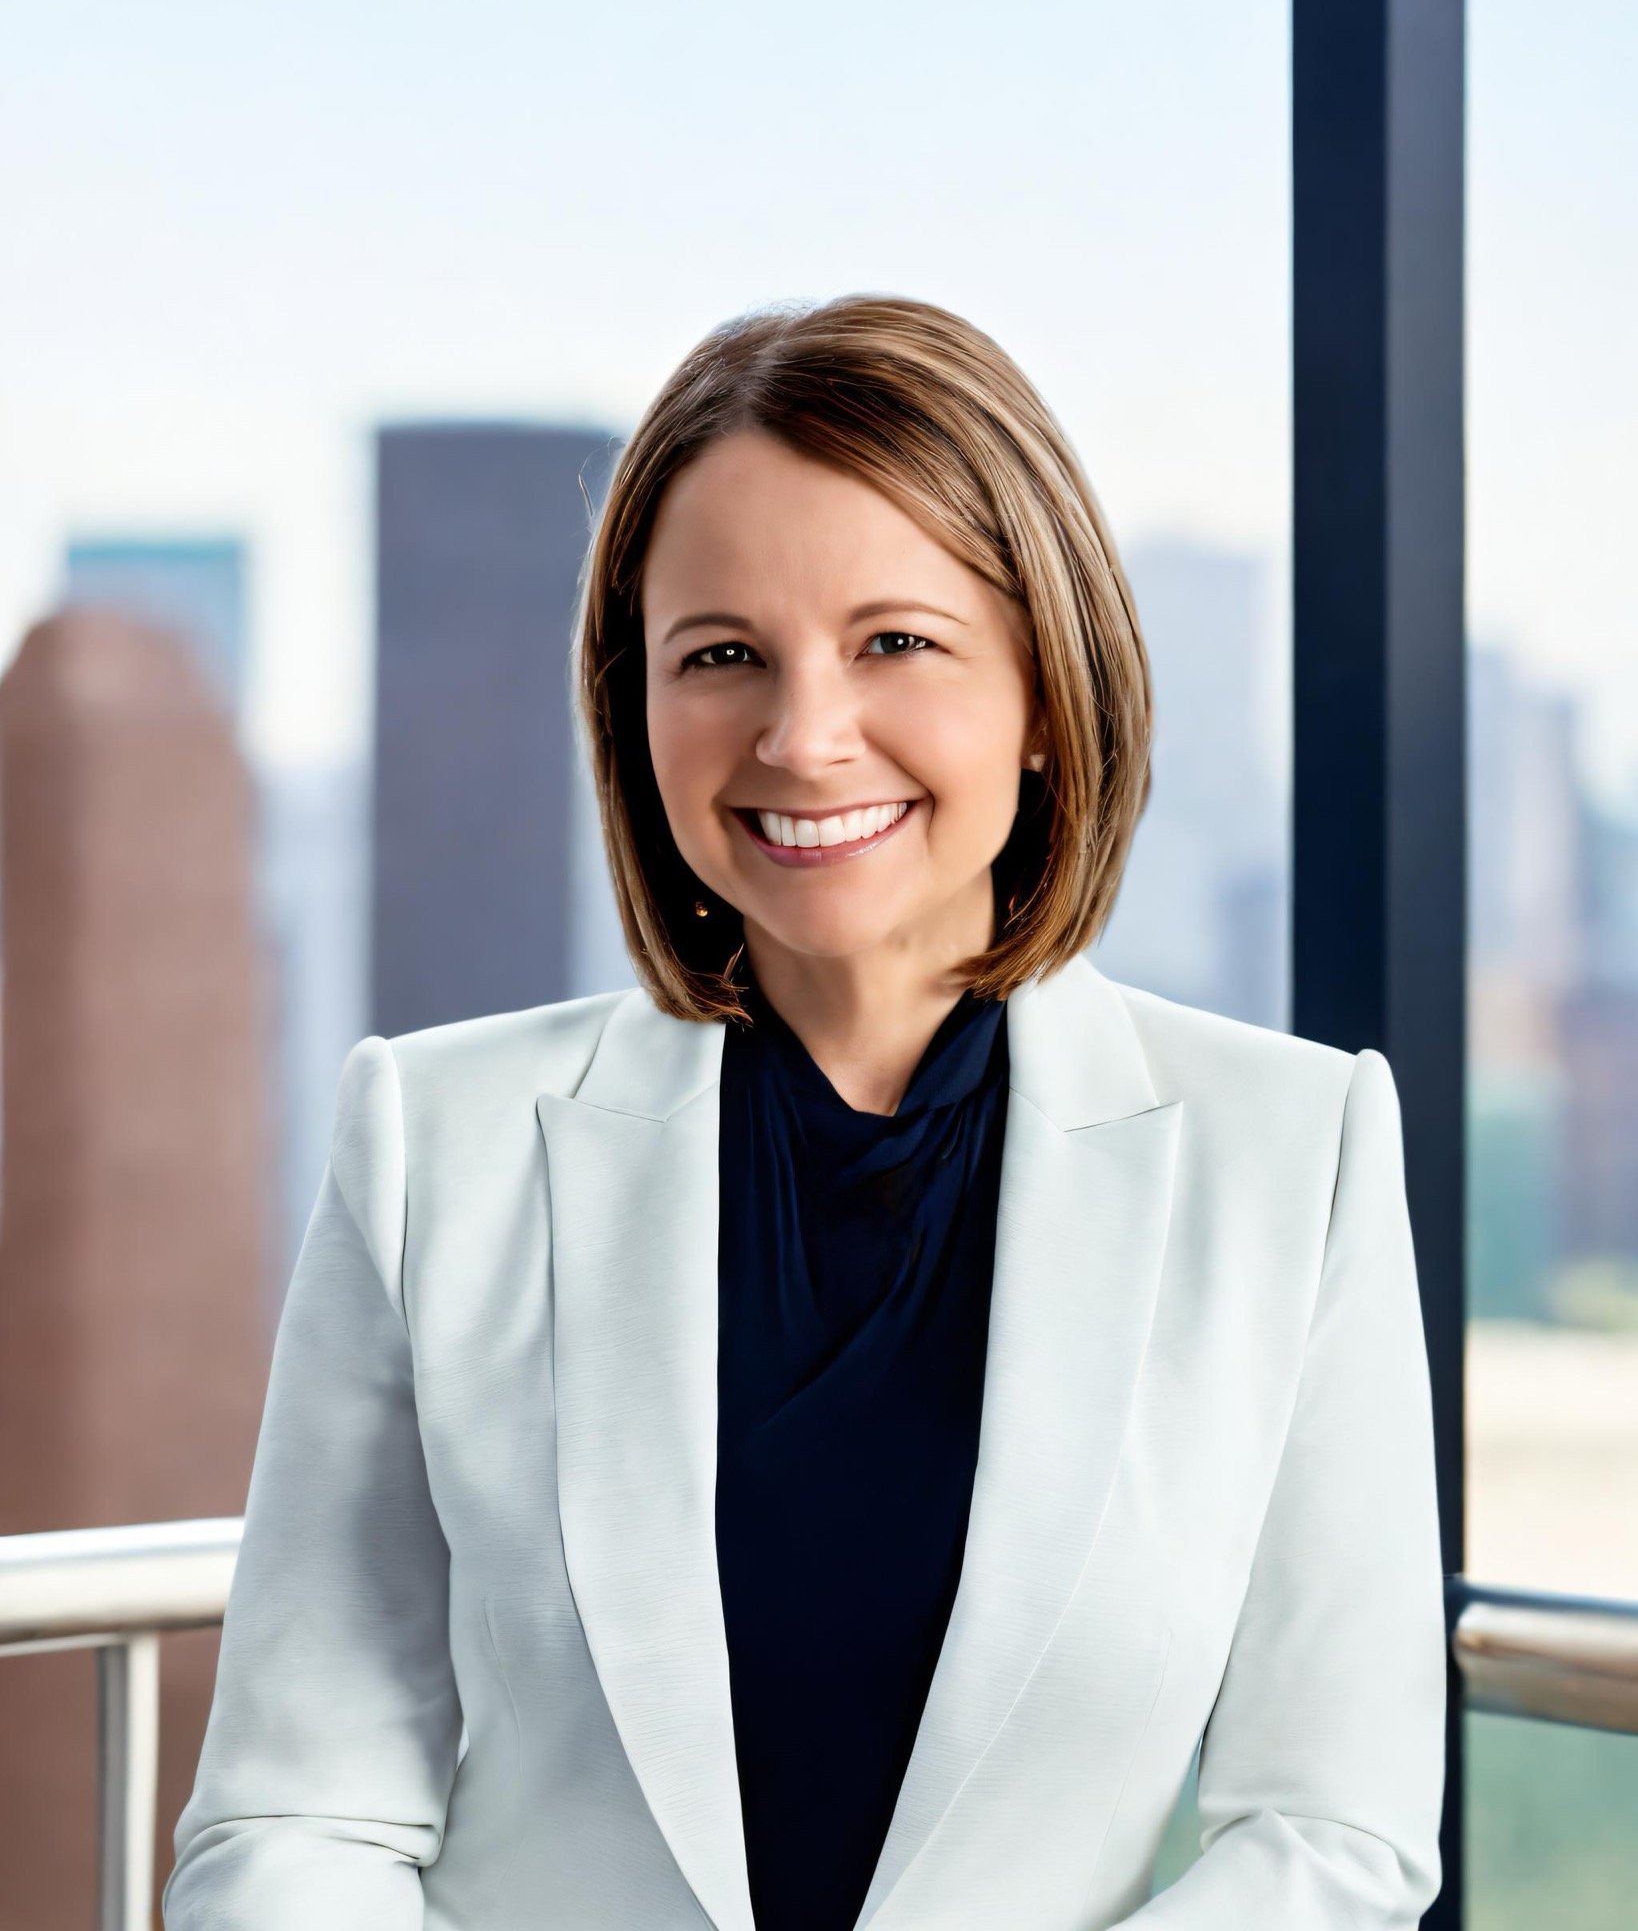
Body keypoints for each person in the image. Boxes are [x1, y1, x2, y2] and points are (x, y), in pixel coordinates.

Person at [163, 294, 1447, 1929]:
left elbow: (1330, 1836)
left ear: (1047, 692)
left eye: (893, 642)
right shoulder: (436, 1142)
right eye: (720, 657)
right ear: (636, 709)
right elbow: (294, 1818)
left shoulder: (1294, 1155)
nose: (801, 735)